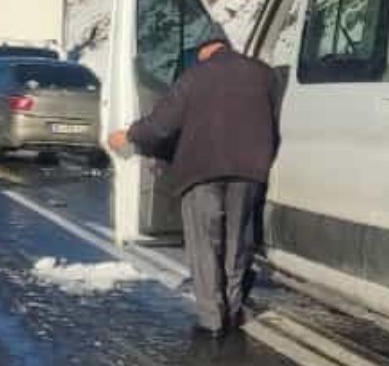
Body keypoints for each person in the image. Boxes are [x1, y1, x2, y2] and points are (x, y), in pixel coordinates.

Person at [107, 26, 279, 339]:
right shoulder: (262, 74)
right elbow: (276, 120)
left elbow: (160, 126)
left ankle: (211, 321)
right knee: (237, 244)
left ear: (203, 50)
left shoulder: (194, 77)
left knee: (204, 246)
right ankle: (234, 309)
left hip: (202, 170)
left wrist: (128, 134)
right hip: (249, 171)